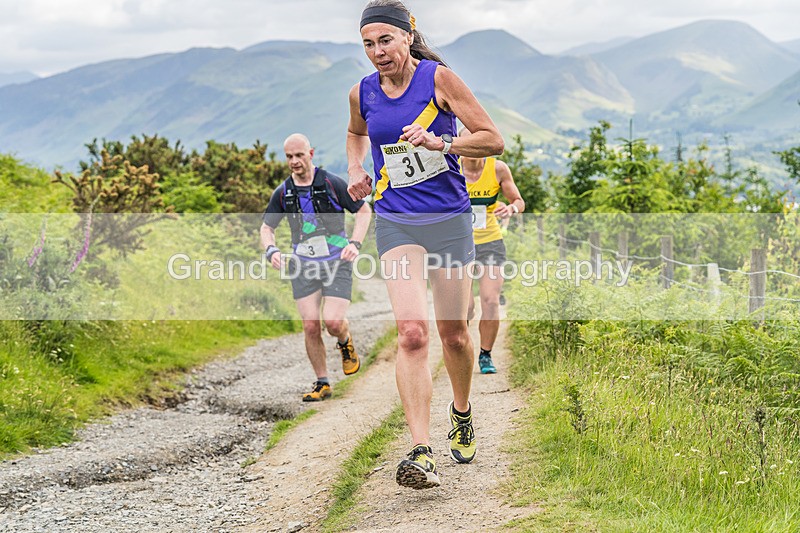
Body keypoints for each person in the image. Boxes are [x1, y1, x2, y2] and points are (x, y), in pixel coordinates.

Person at [347, 0, 504, 489]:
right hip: (396, 221)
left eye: (385, 41)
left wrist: (444, 144)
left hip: (449, 221)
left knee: (454, 334)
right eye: (368, 44)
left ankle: (462, 411)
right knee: (413, 333)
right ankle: (420, 450)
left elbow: (492, 139)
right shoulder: (361, 92)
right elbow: (355, 133)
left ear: (407, 36)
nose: (377, 52)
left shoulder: (439, 80)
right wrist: (355, 168)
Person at [261, 133, 372, 402]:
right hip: (303, 266)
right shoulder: (284, 192)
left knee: (332, 322)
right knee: (311, 325)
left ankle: (344, 340)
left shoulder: (332, 183)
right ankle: (322, 382)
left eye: (299, 155)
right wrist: (271, 250)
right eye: (289, 157)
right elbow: (266, 227)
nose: (294, 161)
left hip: (337, 262)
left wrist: (355, 243)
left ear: (310, 154)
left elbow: (363, 211)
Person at [461, 128, 525, 374]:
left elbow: (518, 201)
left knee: (490, 301)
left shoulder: (498, 169)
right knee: (465, 307)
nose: (473, 147)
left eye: (478, 142)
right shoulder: (451, 168)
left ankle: (485, 354)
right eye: (468, 142)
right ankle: (461, 349)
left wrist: (511, 209)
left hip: (490, 242)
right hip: (458, 245)